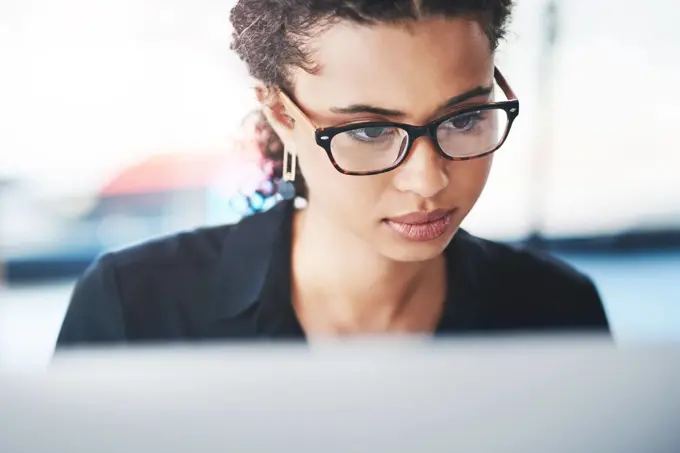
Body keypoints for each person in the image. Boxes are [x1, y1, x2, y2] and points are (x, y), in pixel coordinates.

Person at [56, 0, 608, 346]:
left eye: (464, 117)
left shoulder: (557, 311)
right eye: (369, 131)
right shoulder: (134, 310)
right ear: (281, 113)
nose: (428, 180)